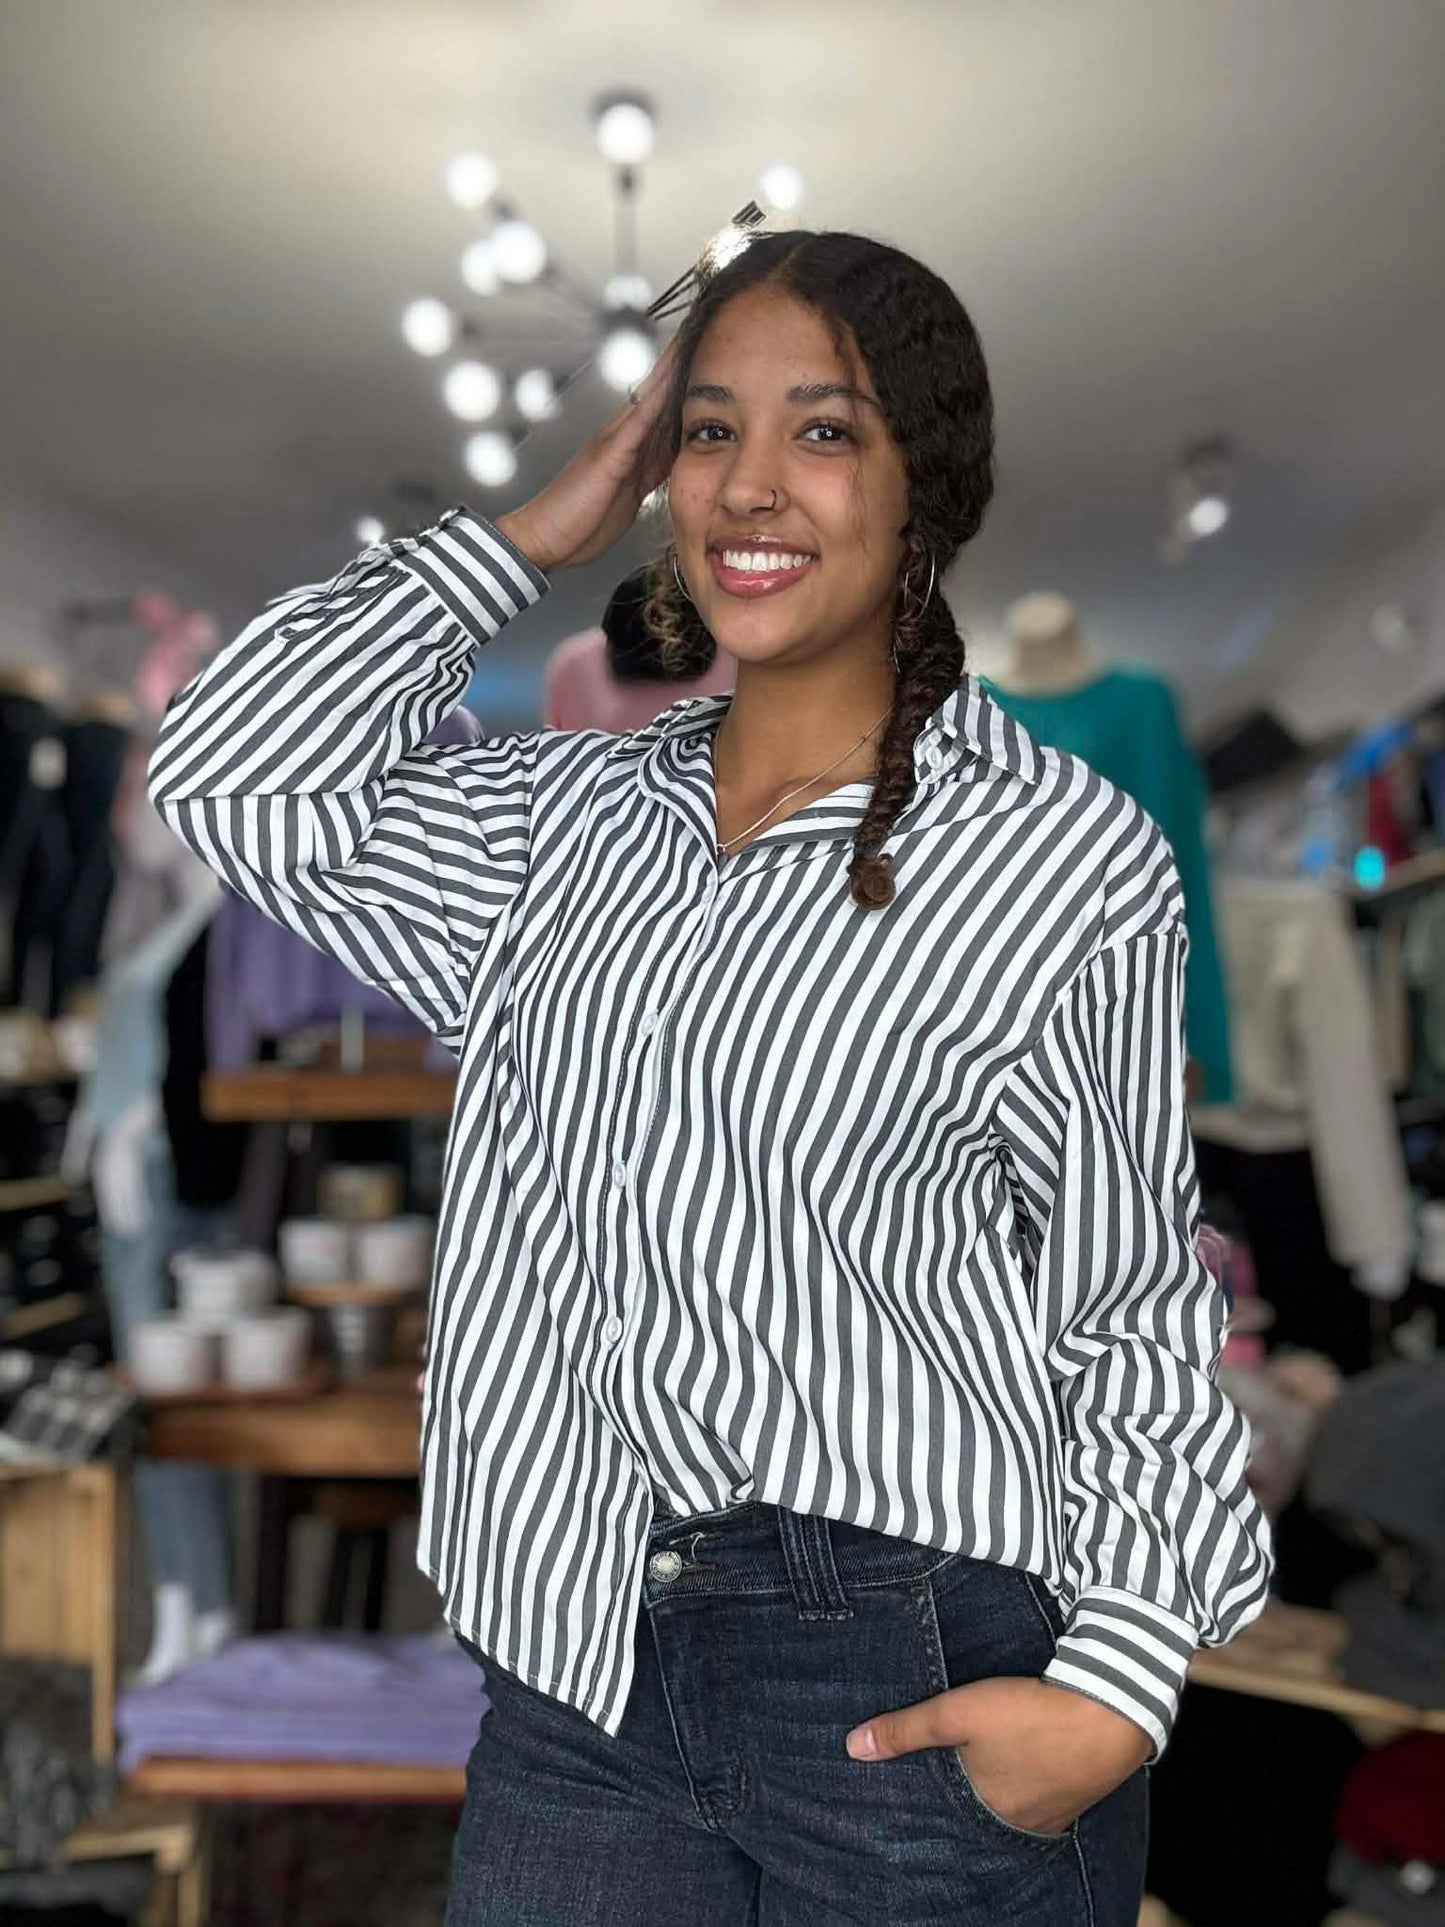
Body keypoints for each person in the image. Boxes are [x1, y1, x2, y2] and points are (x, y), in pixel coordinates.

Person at [149, 229, 1273, 1926]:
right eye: (707, 429)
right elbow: (234, 772)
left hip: (908, 1659)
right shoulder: (557, 823)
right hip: (578, 1669)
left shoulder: (1058, 857)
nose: (753, 485)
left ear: (925, 486)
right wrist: (528, 534)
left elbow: (1126, 1300)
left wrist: (1113, 1688)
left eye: (825, 431)